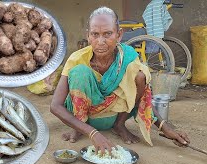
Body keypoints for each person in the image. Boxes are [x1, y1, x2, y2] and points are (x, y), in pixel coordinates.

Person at [50, 6, 190, 154]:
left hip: (114, 115)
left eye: (108, 34)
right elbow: (55, 106)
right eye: (95, 34)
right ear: (88, 36)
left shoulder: (128, 57)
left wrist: (165, 128)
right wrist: (92, 133)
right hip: (83, 118)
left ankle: (119, 125)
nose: (100, 41)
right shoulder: (77, 59)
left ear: (119, 35)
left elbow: (144, 96)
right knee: (79, 73)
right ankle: (79, 127)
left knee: (140, 75)